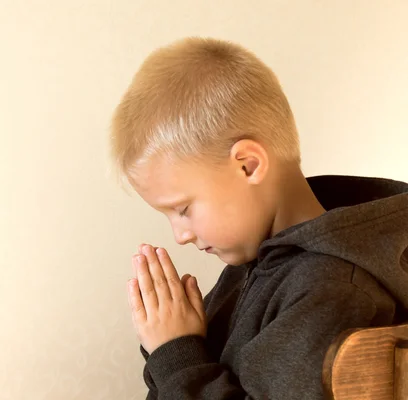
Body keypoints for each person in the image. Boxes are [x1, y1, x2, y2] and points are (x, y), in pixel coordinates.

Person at [108, 37, 408, 399]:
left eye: (183, 209)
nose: (180, 235)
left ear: (248, 165)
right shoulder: (255, 260)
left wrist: (176, 353)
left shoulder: (333, 291)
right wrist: (169, 345)